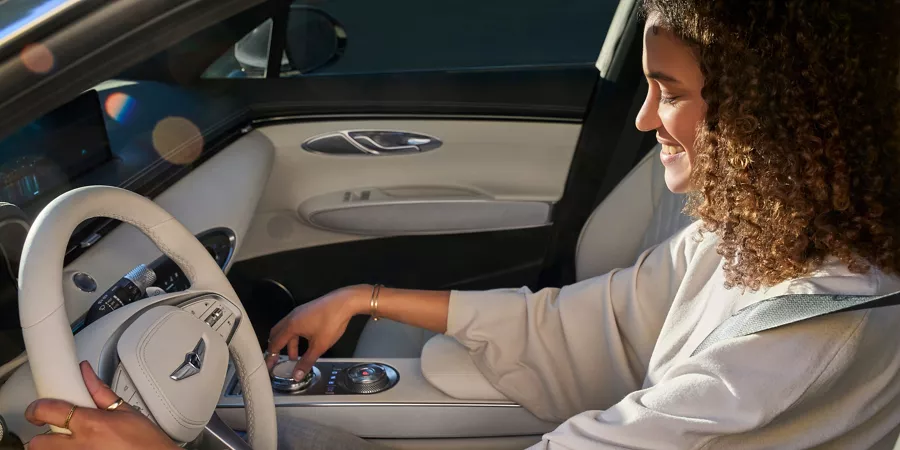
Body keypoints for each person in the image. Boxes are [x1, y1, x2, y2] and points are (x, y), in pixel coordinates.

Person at [24, 0, 900, 448]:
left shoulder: (802, 346)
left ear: (772, 119)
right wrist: (363, 295)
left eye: (668, 93)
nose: (642, 121)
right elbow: (591, 324)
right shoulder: (753, 241)